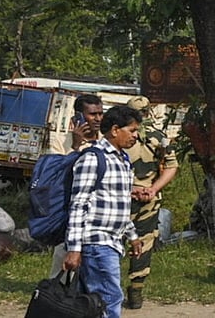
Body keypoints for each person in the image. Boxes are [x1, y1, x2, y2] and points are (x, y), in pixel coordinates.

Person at [63, 105, 143, 318]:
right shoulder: (93, 158)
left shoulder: (123, 160)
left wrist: (132, 236)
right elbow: (78, 204)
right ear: (115, 130)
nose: (136, 136)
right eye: (132, 130)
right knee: (109, 298)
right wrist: (74, 248)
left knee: (90, 304)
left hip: (113, 241)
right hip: (96, 243)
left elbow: (119, 204)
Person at [123, 96, 179, 309]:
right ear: (149, 112)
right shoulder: (160, 138)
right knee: (144, 244)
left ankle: (102, 290)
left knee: (110, 243)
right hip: (148, 199)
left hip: (120, 199)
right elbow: (172, 166)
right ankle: (136, 290)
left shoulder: (119, 136)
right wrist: (154, 189)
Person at [49, 94, 105, 278]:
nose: (97, 119)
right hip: (70, 210)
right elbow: (55, 175)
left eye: (100, 114)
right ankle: (55, 297)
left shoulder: (107, 143)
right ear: (78, 116)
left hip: (99, 212)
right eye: (92, 114)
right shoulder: (59, 141)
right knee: (64, 260)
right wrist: (75, 146)